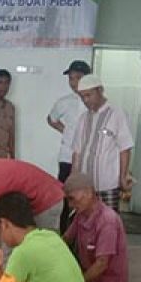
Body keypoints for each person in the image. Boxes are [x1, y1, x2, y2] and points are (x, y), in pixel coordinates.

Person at [63, 173, 129, 282]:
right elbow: (65, 239)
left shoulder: (107, 221)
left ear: (87, 193)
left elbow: (102, 264)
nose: (70, 205)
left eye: (72, 199)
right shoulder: (81, 215)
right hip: (90, 276)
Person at [71, 74, 135, 211]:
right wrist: (74, 178)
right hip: (85, 186)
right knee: (86, 223)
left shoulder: (117, 114)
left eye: (89, 95)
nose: (86, 100)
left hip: (108, 184)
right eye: (82, 97)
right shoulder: (83, 118)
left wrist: (123, 177)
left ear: (100, 90)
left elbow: (125, 148)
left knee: (108, 223)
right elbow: (77, 151)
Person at [47, 59, 92, 233]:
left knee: (87, 199)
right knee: (66, 199)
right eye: (71, 78)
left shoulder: (96, 102)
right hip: (67, 158)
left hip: (89, 159)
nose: (74, 83)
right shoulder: (65, 102)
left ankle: (85, 235)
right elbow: (51, 119)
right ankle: (65, 236)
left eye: (78, 78)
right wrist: (66, 131)